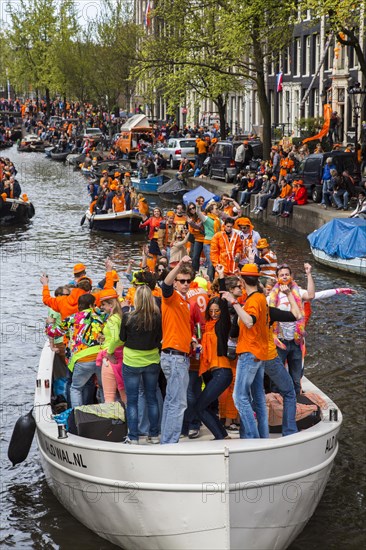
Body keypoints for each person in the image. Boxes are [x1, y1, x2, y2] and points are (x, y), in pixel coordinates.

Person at [221, 263, 269, 439]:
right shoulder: (261, 298)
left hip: (250, 352)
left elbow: (249, 321)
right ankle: (262, 438)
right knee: (258, 399)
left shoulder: (254, 301)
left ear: (242, 280)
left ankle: (254, 439)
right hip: (260, 353)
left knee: (239, 397)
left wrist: (233, 302)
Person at [46, 294, 107, 408]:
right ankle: (106, 413)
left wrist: (49, 323)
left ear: (79, 305)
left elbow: (53, 332)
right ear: (91, 305)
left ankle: (77, 416)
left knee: (76, 388)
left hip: (81, 359)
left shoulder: (72, 318)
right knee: (104, 388)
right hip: (100, 358)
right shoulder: (101, 317)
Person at [121, 285, 162, 444]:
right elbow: (159, 338)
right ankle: (154, 435)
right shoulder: (157, 317)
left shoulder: (128, 316)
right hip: (151, 360)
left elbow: (122, 337)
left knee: (132, 401)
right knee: (151, 398)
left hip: (132, 361)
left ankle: (134, 437)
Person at [195, 265, 232, 439]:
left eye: (217, 311)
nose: (215, 313)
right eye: (211, 311)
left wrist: (221, 276)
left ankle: (220, 436)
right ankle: (222, 435)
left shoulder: (222, 326)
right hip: (211, 373)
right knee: (208, 407)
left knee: (199, 407)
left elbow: (224, 304)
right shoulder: (206, 328)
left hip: (222, 372)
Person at [160, 256, 193, 444]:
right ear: (175, 283)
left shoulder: (183, 301)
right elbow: (165, 284)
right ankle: (170, 443)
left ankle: (166, 440)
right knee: (178, 404)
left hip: (177, 355)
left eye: (188, 281)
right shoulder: (170, 297)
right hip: (175, 357)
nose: (186, 284)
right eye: (181, 281)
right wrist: (179, 264)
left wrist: (192, 340)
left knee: (171, 401)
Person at [268, 263, 315, 395]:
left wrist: (309, 274)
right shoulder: (271, 296)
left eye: (287, 274)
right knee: (276, 378)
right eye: (281, 275)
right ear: (277, 277)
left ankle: (295, 404)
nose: (284, 277)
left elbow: (311, 295)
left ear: (291, 276)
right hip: (279, 342)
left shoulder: (298, 291)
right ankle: (275, 405)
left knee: (296, 378)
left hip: (296, 342)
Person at [98, 289, 125, 403]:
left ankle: (111, 420)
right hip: (122, 357)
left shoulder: (112, 319)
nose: (102, 307)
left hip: (111, 360)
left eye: (103, 304)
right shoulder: (121, 317)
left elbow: (115, 338)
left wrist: (109, 353)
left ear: (111, 304)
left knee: (109, 397)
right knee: (124, 395)